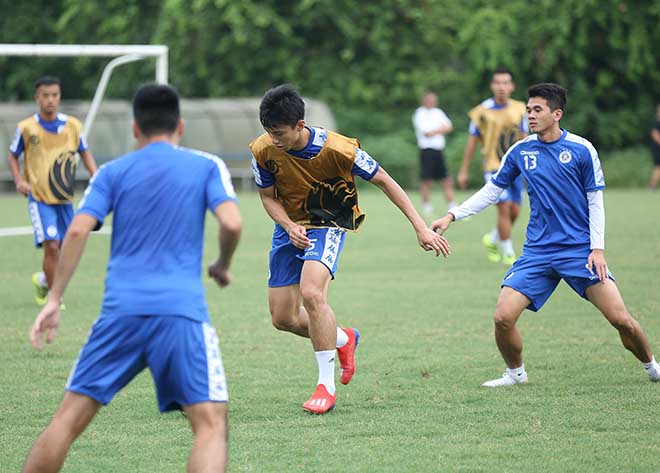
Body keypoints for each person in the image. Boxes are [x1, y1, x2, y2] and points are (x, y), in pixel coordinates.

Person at [23, 84, 242, 473]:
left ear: (134, 129)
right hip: (181, 314)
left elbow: (75, 231)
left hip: (120, 313)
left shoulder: (112, 173)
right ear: (181, 126)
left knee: (67, 421)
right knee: (209, 425)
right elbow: (232, 222)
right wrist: (222, 265)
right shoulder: (206, 166)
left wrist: (55, 298)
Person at [432, 83, 660, 387]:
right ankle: (516, 373)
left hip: (580, 251)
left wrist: (598, 249)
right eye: (528, 109)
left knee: (620, 319)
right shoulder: (521, 151)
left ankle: (652, 366)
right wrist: (452, 215)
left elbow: (596, 202)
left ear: (557, 114)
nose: (530, 115)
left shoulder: (581, 149)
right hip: (538, 253)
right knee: (502, 317)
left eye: (537, 109)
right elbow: (492, 191)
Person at [250, 84, 450, 414]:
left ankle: (324, 387)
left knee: (312, 294)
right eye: (268, 132)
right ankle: (343, 339)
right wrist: (288, 226)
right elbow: (268, 198)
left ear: (300, 125)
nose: (273, 139)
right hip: (289, 228)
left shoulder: (339, 149)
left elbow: (384, 179)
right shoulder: (263, 150)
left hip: (327, 225)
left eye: (279, 132)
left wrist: (420, 226)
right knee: (282, 318)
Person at [7, 76, 98, 306]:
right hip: (39, 198)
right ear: (37, 98)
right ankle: (54, 299)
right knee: (52, 244)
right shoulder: (26, 128)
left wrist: (95, 177)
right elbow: (12, 156)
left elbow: (84, 152)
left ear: (60, 97)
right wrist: (19, 180)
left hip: (65, 198)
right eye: (45, 95)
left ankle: (43, 281)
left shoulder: (73, 126)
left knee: (67, 248)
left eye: (54, 95)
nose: (50, 100)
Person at [457, 68, 528, 265]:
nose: (501, 87)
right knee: (503, 208)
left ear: (512, 86)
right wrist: (463, 170)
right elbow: (472, 142)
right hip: (494, 167)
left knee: (515, 210)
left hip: (517, 167)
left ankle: (493, 238)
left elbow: (524, 138)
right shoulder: (481, 112)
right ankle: (508, 253)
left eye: (506, 83)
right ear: (492, 86)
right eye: (498, 83)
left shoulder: (521, 109)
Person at [412, 91, 456, 215]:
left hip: (438, 150)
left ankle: (452, 204)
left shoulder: (438, 112)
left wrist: (436, 130)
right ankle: (427, 206)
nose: (433, 102)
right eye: (430, 99)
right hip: (426, 150)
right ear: (424, 100)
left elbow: (449, 127)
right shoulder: (419, 113)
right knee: (426, 180)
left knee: (446, 179)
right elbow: (427, 133)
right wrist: (441, 129)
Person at [649, 102, 660, 191]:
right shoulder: (657, 122)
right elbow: (655, 134)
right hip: (658, 149)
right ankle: (652, 186)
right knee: (658, 167)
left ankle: (652, 186)